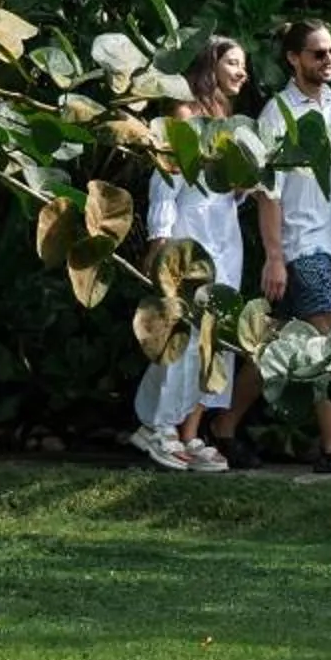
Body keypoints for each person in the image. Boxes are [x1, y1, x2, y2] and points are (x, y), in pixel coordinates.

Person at [204, 18, 331, 475]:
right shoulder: (277, 113)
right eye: (318, 54)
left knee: (274, 344)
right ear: (293, 58)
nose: (328, 61)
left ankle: (223, 428)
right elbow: (269, 191)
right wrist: (274, 256)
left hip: (326, 244)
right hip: (298, 247)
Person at [128, 35, 251, 473]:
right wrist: (159, 240)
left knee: (215, 340)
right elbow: (166, 182)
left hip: (225, 242)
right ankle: (155, 427)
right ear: (211, 65)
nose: (242, 72)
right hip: (187, 240)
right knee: (178, 337)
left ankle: (190, 433)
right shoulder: (183, 115)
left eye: (244, 65)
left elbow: (225, 195)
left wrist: (241, 186)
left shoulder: (228, 119)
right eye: (234, 63)